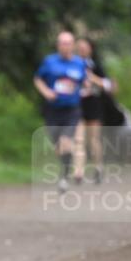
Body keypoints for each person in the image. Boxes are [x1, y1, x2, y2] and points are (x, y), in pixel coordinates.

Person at [33, 31, 87, 191]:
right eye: (62, 43)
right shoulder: (49, 62)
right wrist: (46, 92)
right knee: (58, 146)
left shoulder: (79, 63)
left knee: (66, 142)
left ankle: (64, 177)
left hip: (72, 110)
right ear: (58, 45)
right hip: (52, 110)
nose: (65, 46)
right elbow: (37, 79)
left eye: (68, 43)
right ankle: (65, 167)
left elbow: (84, 82)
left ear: (73, 45)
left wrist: (85, 88)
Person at [73, 37, 117, 184]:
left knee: (94, 140)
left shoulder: (96, 65)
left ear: (90, 49)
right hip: (76, 105)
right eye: (79, 47)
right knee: (79, 139)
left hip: (93, 105)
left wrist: (93, 78)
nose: (82, 49)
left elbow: (109, 85)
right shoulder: (71, 65)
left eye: (85, 47)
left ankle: (98, 168)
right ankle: (78, 172)